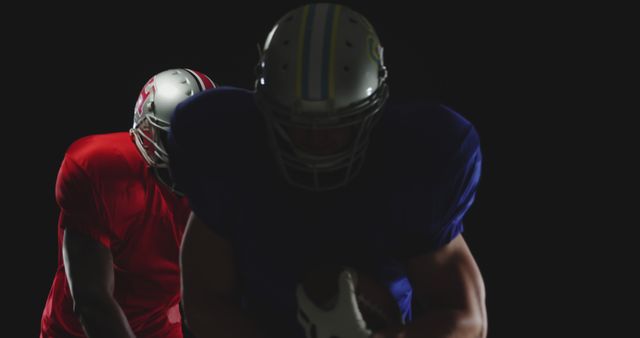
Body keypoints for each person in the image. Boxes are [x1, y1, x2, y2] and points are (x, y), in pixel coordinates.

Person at [172, 3, 487, 338]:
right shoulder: (228, 151)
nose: (316, 139)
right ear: (265, 108)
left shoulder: (414, 164)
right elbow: (205, 302)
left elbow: (466, 319)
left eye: (338, 123)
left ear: (373, 112)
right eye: (298, 122)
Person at [40, 68, 216, 338]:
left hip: (160, 327)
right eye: (176, 140)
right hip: (77, 333)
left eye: (201, 141)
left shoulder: (226, 183)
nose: (190, 155)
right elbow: (91, 300)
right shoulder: (102, 170)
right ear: (147, 128)